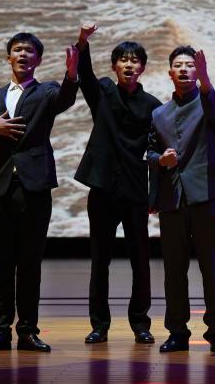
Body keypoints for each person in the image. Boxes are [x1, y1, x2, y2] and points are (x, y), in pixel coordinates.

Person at [0, 32, 78, 352]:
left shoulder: (46, 91)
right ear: (8, 58)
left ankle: (27, 331)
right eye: (17, 50)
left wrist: (72, 75)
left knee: (29, 264)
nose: (23, 54)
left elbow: (65, 99)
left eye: (29, 51)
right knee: (1, 265)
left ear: (38, 60)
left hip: (34, 188)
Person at [72, 23, 161, 345]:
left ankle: (141, 324)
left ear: (143, 68)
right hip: (103, 189)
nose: (129, 64)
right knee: (100, 261)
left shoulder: (153, 106)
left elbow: (157, 153)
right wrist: (83, 42)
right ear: (114, 66)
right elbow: (84, 75)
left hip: (135, 191)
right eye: (123, 60)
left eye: (135, 60)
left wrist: (155, 196)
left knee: (141, 261)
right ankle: (99, 325)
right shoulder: (104, 93)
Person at [147, 46, 215, 354]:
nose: (184, 69)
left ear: (197, 72)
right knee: (173, 270)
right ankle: (177, 331)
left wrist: (206, 78)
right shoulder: (159, 114)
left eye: (190, 65)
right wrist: (160, 160)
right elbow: (150, 152)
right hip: (172, 200)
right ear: (170, 73)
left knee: (212, 267)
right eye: (178, 65)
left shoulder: (212, 100)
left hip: (206, 196)